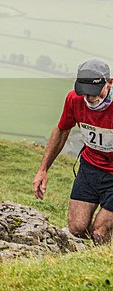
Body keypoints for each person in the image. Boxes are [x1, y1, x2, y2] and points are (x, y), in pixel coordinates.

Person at [33, 59, 113, 244]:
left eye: (94, 92)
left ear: (109, 82)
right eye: (84, 92)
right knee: (77, 228)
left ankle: (103, 256)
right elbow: (62, 130)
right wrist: (43, 169)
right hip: (90, 168)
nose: (89, 98)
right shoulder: (74, 100)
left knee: (100, 231)